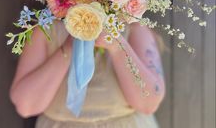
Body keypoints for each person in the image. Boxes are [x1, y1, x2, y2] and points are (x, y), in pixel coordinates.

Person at [10, 20, 165, 128]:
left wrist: (117, 46)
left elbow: (148, 104)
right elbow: (26, 106)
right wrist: (70, 47)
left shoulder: (134, 29)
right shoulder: (45, 30)